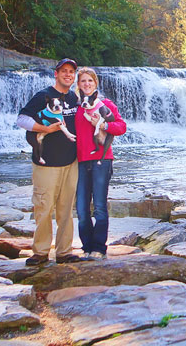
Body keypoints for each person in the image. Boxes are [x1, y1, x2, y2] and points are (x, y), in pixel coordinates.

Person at [17, 58, 82, 266]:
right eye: (64, 71)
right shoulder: (43, 96)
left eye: (71, 72)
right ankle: (41, 252)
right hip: (46, 163)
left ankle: (64, 251)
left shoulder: (74, 98)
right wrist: (44, 129)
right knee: (43, 208)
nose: (68, 75)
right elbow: (22, 120)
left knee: (66, 210)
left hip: (70, 163)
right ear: (56, 74)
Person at [75, 67, 126, 260]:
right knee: (81, 209)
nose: (86, 84)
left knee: (99, 207)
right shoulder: (76, 107)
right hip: (79, 161)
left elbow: (121, 126)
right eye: (83, 81)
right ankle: (86, 246)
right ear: (78, 85)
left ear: (95, 84)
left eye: (90, 81)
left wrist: (104, 124)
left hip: (101, 159)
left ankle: (98, 247)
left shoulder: (105, 105)